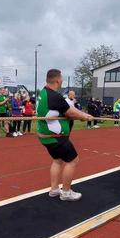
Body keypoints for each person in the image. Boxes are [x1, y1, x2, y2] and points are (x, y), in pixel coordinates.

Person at [37, 69, 93, 201]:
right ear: (57, 80)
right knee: (73, 160)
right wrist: (85, 116)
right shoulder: (54, 96)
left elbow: (67, 110)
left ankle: (54, 189)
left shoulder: (43, 92)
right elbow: (71, 112)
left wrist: (82, 115)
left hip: (46, 137)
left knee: (57, 160)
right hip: (56, 138)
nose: (62, 80)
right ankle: (66, 192)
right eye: (61, 78)